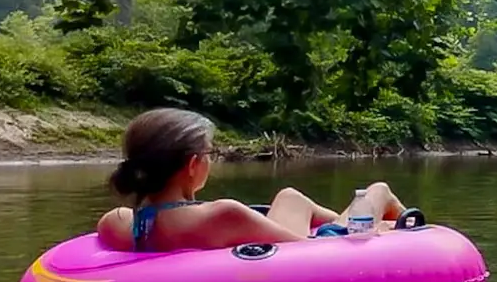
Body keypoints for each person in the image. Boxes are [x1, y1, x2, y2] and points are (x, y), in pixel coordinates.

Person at [95, 107, 408, 252]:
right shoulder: (222, 215)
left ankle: (373, 224)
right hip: (313, 251)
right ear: (193, 164)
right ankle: (406, 232)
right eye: (209, 153)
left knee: (290, 197)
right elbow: (313, 254)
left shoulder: (117, 222)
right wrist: (370, 232)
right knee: (377, 191)